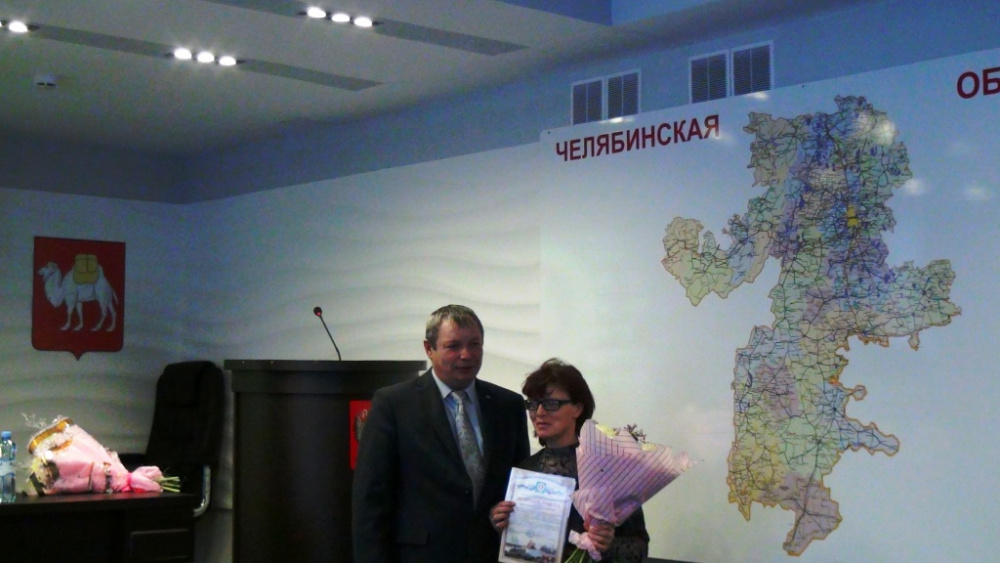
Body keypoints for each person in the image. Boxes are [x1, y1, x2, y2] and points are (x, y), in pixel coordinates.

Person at [352, 304, 530, 563]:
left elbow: (520, 484)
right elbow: (371, 500)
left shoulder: (508, 405)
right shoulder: (393, 405)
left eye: (475, 344)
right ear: (429, 349)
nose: (466, 355)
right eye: (453, 346)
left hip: (490, 554)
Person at [490, 358, 650, 562]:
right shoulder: (525, 470)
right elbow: (518, 550)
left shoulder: (607, 469)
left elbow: (639, 549)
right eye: (533, 404)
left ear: (577, 408)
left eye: (551, 404)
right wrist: (501, 522)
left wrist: (607, 545)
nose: (539, 413)